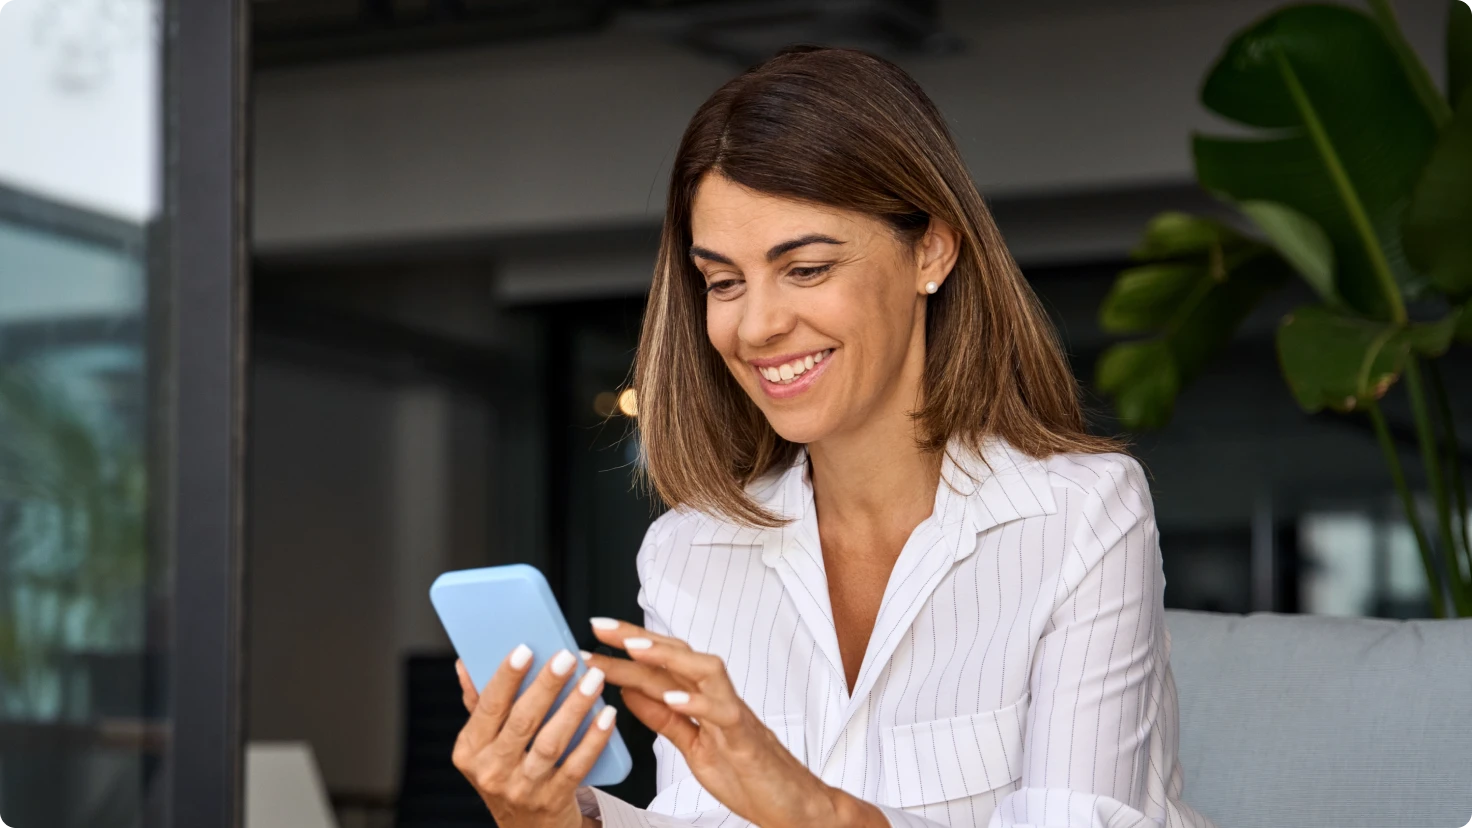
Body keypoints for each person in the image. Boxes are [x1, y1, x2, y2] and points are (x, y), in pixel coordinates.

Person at [450, 46, 1216, 828]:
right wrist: (553, 820)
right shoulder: (689, 553)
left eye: (807, 268)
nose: (757, 325)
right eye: (723, 281)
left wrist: (810, 809)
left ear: (932, 250)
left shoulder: (1080, 516)